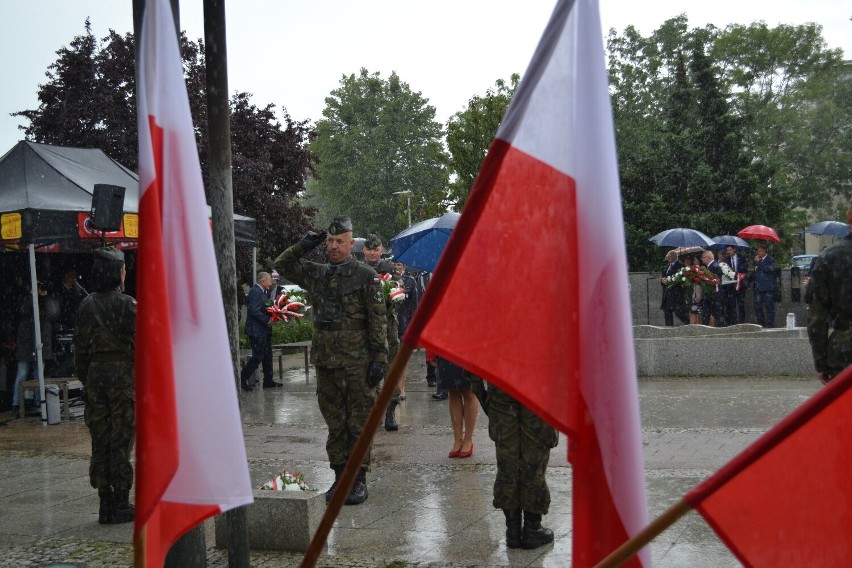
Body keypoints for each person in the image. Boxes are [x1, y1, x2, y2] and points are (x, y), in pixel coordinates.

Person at [275, 216, 387, 505]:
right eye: (330, 241)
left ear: (352, 244)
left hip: (358, 362)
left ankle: (358, 479)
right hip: (326, 361)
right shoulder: (317, 273)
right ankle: (340, 477)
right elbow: (282, 265)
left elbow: (377, 321)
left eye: (340, 241)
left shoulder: (365, 276)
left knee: (358, 423)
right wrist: (303, 245)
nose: (334, 246)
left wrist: (379, 359)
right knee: (335, 423)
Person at [73, 247, 136, 524]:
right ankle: (121, 502)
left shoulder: (85, 306)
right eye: (123, 269)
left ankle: (105, 501)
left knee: (100, 439)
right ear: (116, 273)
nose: (125, 273)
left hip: (96, 381)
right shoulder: (128, 305)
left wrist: (90, 379)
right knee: (120, 440)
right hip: (122, 381)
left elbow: (79, 352)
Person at [468, 373, 558, 549]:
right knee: (534, 459)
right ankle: (532, 527)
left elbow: (471, 355)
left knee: (508, 460)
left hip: (502, 386)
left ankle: (513, 530)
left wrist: (482, 394)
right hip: (538, 386)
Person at [806, 202, 852, 384]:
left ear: (848, 219)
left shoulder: (830, 257)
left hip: (844, 353)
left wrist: (821, 363)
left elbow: (816, 319)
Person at [362, 234, 403, 430]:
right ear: (364, 251)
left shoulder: (389, 269)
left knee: (390, 368)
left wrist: (390, 294)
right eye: (368, 249)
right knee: (367, 368)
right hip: (365, 327)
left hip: (387, 325)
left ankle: (390, 413)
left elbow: (400, 293)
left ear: (381, 250)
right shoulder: (358, 269)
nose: (372, 252)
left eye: (375, 249)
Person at [11, 284, 51, 419]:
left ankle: (39, 403)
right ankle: (16, 404)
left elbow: (50, 314)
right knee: (22, 374)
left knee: (38, 374)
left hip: (39, 340)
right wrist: (32, 296)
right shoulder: (24, 300)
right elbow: (23, 311)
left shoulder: (45, 300)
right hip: (26, 342)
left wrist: (43, 297)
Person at [240, 271, 279, 391]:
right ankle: (242, 378)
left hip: (264, 330)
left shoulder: (263, 292)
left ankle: (268, 380)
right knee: (258, 356)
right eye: (269, 280)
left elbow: (264, 308)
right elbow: (254, 311)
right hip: (256, 330)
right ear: (262, 281)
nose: (270, 282)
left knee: (267, 355)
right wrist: (268, 320)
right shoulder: (255, 292)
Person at [437, 357, 478, 459]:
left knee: (468, 390)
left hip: (469, 346)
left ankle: (468, 440)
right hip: (447, 346)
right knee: (452, 390)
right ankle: (457, 440)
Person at [660, 250, 687, 326]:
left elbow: (681, 279)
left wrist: (669, 281)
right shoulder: (667, 265)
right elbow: (664, 275)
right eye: (667, 257)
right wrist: (663, 280)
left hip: (676, 294)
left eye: (669, 256)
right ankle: (669, 329)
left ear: (674, 257)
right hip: (667, 294)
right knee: (667, 312)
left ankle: (688, 324)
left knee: (679, 313)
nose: (668, 258)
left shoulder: (680, 265)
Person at [753, 244, 776, 327]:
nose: (757, 253)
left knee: (769, 307)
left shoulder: (770, 260)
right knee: (758, 307)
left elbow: (768, 270)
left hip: (768, 288)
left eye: (759, 251)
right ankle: (761, 323)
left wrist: (759, 262)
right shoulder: (757, 261)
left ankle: (770, 324)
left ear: (764, 251)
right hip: (758, 288)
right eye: (757, 251)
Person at [724, 245, 749, 324]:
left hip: (740, 285)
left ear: (734, 250)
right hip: (731, 286)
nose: (728, 252)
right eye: (727, 250)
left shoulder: (742, 258)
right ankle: (733, 322)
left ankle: (741, 321)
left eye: (730, 250)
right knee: (732, 304)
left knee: (741, 304)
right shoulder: (726, 260)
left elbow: (745, 269)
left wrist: (738, 274)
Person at [701, 250, 723, 326]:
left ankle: (723, 331)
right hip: (709, 295)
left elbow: (716, 280)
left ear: (708, 257)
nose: (702, 259)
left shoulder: (715, 266)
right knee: (706, 314)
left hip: (714, 295)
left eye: (703, 257)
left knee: (717, 314)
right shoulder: (709, 267)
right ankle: (705, 329)